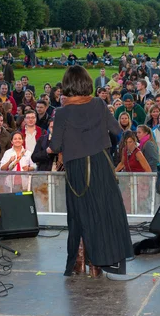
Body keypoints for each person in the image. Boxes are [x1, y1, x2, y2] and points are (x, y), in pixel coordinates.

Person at [49, 65, 133, 278]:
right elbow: (116, 130)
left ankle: (81, 262)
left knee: (81, 216)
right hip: (101, 165)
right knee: (103, 214)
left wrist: (48, 148)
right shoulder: (99, 103)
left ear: (67, 85)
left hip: (77, 170)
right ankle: (99, 263)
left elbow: (56, 146)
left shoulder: (62, 112)